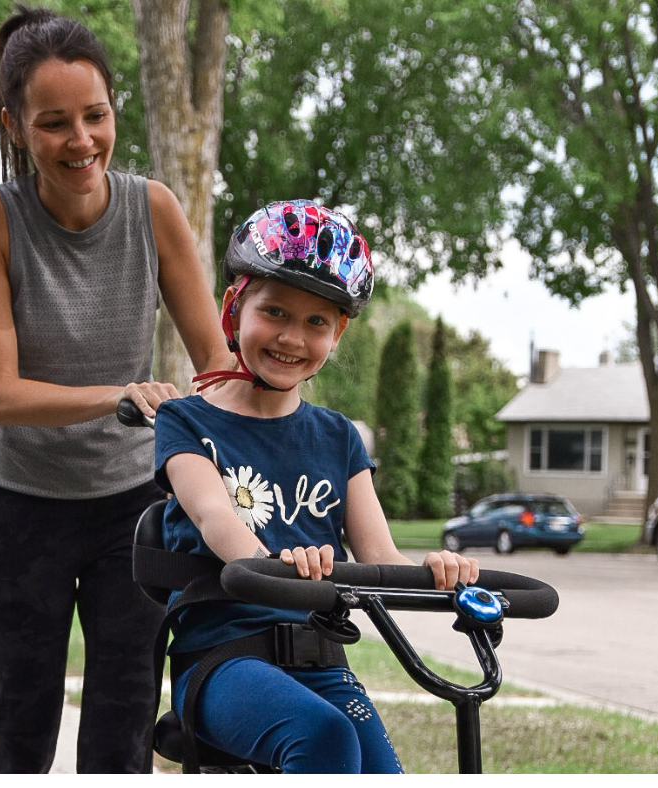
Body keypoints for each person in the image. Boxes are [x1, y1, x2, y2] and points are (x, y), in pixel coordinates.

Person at [0, 5, 230, 774]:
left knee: (122, 727)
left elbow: (213, 359)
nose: (80, 141)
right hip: (18, 512)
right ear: (15, 125)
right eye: (53, 123)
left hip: (131, 512)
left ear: (114, 110)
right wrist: (123, 396)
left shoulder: (154, 208)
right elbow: (0, 394)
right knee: (21, 728)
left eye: (95, 116)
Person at [153, 200, 481, 774]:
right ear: (235, 306)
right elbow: (216, 520)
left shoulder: (338, 438)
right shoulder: (187, 422)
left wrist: (439, 573)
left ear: (338, 334)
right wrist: (275, 562)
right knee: (324, 738)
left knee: (382, 773)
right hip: (222, 659)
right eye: (274, 311)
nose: (291, 337)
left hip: (323, 661)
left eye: (316, 323)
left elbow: (380, 558)